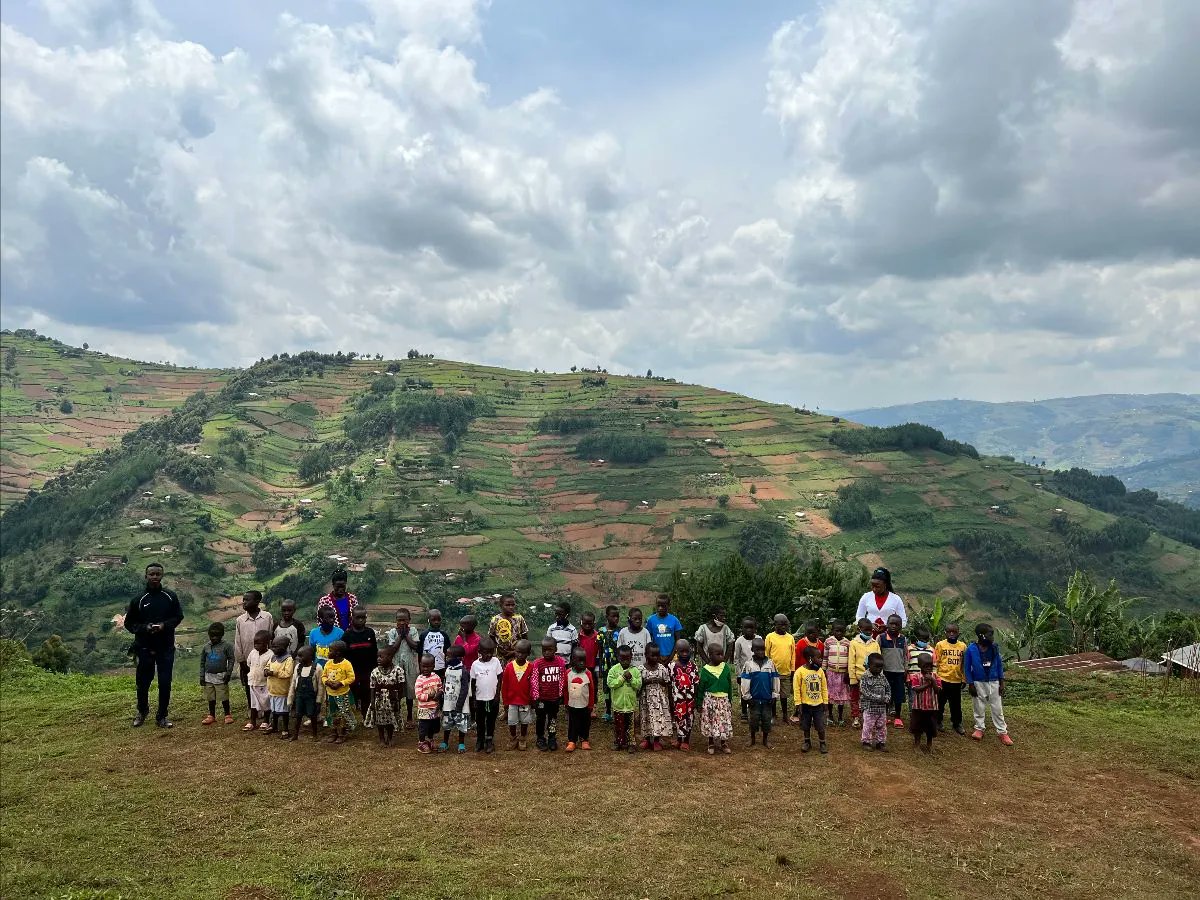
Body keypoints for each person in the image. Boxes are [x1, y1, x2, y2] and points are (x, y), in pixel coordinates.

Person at [125, 563, 185, 727]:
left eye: (158, 574)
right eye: (151, 574)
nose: (155, 577)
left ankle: (162, 716)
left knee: (165, 683)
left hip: (166, 648)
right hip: (144, 647)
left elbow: (178, 616)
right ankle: (142, 711)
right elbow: (129, 623)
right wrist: (146, 628)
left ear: (162, 576)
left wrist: (165, 625)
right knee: (143, 683)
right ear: (146, 576)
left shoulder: (170, 596)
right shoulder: (138, 600)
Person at [965, 624, 1012, 745]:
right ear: (981, 636)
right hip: (978, 681)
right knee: (978, 705)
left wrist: (1002, 682)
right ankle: (979, 728)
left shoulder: (994, 648)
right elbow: (967, 668)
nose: (992, 637)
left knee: (997, 707)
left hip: (994, 681)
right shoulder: (971, 649)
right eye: (990, 635)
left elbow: (999, 665)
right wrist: (970, 684)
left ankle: (1002, 731)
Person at [233, 590, 273, 722]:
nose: (244, 602)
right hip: (248, 661)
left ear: (257, 602)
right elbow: (238, 642)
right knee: (250, 685)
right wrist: (241, 660)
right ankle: (253, 709)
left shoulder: (267, 617)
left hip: (265, 659)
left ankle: (267, 709)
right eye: (243, 599)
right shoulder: (240, 620)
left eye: (247, 600)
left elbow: (271, 637)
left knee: (266, 684)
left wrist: (271, 658)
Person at [738, 637, 779, 749]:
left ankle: (765, 740)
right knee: (753, 720)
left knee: (766, 719)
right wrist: (747, 697)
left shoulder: (770, 664)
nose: (761, 652)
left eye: (762, 649)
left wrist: (775, 694)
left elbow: (775, 679)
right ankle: (752, 739)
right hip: (754, 699)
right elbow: (745, 681)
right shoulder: (748, 665)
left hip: (767, 698)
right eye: (758, 650)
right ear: (752, 650)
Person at [696, 643, 736, 755]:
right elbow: (701, 688)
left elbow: (729, 685)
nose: (721, 657)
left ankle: (724, 742)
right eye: (718, 654)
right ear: (710, 655)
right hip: (710, 701)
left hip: (723, 701)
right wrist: (699, 703)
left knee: (723, 721)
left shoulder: (726, 668)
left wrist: (730, 699)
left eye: (722, 654)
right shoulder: (705, 670)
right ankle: (711, 742)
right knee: (710, 721)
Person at [530, 636, 566, 751]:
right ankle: (540, 738)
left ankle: (552, 737)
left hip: (554, 698)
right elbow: (534, 680)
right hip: (541, 699)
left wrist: (561, 695)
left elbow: (562, 678)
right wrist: (536, 698)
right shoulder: (537, 663)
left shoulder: (560, 661)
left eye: (549, 650)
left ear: (555, 649)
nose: (546, 652)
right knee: (540, 718)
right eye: (544, 650)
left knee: (552, 719)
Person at [385, 609, 421, 723]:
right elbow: (392, 649)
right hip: (396, 665)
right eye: (399, 620)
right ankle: (397, 715)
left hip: (410, 665)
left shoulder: (413, 631)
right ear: (396, 621)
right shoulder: (392, 632)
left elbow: (415, 646)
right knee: (397, 690)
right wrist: (400, 636)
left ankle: (410, 715)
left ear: (409, 620)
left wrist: (406, 635)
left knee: (410, 690)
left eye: (404, 620)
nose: (402, 623)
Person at [364, 648, 404, 747]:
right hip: (379, 699)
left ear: (390, 657)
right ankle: (381, 738)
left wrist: (398, 700)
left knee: (391, 719)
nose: (378, 659)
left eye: (381, 657)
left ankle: (390, 737)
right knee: (379, 720)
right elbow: (372, 687)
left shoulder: (398, 670)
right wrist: (372, 702)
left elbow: (401, 687)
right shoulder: (375, 672)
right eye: (377, 656)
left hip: (392, 699)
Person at [342, 609, 378, 718]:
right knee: (353, 692)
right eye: (358, 617)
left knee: (366, 693)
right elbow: (345, 654)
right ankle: (352, 716)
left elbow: (374, 651)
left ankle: (365, 716)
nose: (361, 620)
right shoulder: (347, 635)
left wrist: (375, 668)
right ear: (352, 618)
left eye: (363, 617)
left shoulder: (370, 632)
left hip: (367, 670)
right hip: (352, 670)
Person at [606, 645, 642, 752]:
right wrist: (622, 678)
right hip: (618, 705)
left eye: (628, 658)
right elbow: (611, 684)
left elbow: (638, 685)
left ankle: (631, 743)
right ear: (618, 657)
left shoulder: (635, 670)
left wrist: (631, 678)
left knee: (630, 726)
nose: (625, 661)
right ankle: (618, 742)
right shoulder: (613, 670)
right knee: (618, 725)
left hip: (630, 706)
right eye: (622, 658)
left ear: (631, 657)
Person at [638, 643, 673, 751]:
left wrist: (660, 681)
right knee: (646, 718)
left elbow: (667, 682)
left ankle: (657, 740)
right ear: (646, 655)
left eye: (657, 655)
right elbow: (638, 685)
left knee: (658, 720)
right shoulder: (640, 669)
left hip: (659, 700)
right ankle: (647, 740)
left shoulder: (662, 668)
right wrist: (646, 681)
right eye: (653, 655)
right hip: (646, 700)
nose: (656, 658)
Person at [471, 637, 503, 753]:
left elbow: (500, 677)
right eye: (486, 652)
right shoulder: (475, 665)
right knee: (480, 721)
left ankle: (489, 740)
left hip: (492, 699)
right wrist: (474, 699)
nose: (489, 655)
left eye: (491, 652)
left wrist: (497, 695)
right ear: (480, 651)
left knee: (491, 720)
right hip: (480, 699)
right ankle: (480, 740)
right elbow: (473, 682)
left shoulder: (496, 662)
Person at [847, 617, 880, 728]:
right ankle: (856, 717)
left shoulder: (875, 643)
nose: (869, 632)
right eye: (866, 630)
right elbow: (851, 662)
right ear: (859, 629)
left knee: (869, 698)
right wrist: (852, 678)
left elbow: (879, 659)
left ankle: (868, 717)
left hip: (871, 677)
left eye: (870, 630)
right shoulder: (854, 643)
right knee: (855, 698)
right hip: (858, 676)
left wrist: (879, 676)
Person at [795, 645, 829, 754]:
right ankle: (807, 742)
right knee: (805, 725)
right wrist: (798, 703)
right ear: (810, 658)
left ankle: (822, 743)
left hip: (818, 705)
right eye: (818, 657)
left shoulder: (820, 672)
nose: (821, 660)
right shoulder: (799, 672)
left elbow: (824, 688)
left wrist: (825, 702)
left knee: (820, 725)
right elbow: (796, 689)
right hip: (805, 705)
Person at [934, 623, 967, 734]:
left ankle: (957, 723)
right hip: (942, 679)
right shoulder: (940, 645)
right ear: (945, 633)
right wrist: (936, 678)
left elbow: (963, 664)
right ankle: (938, 721)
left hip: (956, 680)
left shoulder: (962, 646)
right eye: (949, 632)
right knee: (940, 702)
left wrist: (964, 679)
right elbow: (936, 662)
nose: (952, 634)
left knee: (956, 704)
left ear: (959, 633)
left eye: (954, 632)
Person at [321, 640, 357, 743]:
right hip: (331, 695)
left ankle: (342, 733)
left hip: (343, 694)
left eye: (330, 650)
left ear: (338, 653)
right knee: (331, 713)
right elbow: (323, 676)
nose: (328, 652)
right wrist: (327, 682)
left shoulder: (346, 664)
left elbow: (351, 678)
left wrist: (340, 683)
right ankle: (333, 732)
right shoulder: (328, 664)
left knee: (343, 713)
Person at [199, 622, 234, 725]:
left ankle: (227, 715)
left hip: (221, 676)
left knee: (224, 696)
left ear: (221, 635)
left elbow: (231, 659)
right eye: (211, 636)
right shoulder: (206, 647)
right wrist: (202, 676)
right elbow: (202, 662)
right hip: (208, 676)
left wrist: (228, 673)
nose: (214, 638)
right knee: (211, 697)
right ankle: (211, 715)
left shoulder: (226, 646)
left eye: (216, 636)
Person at [502, 639, 534, 751]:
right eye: (517, 652)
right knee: (512, 721)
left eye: (523, 653)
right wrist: (505, 702)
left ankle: (522, 738)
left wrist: (532, 699)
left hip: (525, 701)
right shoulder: (509, 666)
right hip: (512, 701)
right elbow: (504, 686)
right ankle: (513, 738)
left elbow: (533, 685)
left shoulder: (531, 667)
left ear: (528, 654)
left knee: (524, 721)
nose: (519, 655)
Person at [764, 614, 796, 724]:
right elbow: (766, 654)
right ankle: (773, 714)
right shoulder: (770, 637)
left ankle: (785, 715)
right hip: (772, 672)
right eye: (781, 624)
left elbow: (793, 655)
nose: (784, 627)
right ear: (775, 625)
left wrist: (792, 669)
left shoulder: (790, 638)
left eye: (785, 624)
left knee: (784, 696)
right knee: (773, 694)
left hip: (786, 672)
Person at [854, 566, 907, 635]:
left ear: (885, 584)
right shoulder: (866, 597)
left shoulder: (896, 599)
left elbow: (903, 621)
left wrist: (888, 626)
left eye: (877, 586)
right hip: (868, 636)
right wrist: (869, 625)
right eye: (872, 586)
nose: (874, 589)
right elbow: (859, 617)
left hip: (888, 637)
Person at [287, 645, 324, 743]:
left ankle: (315, 734)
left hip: (311, 697)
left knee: (312, 715)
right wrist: (290, 699)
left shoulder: (317, 668)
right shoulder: (297, 667)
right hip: (299, 696)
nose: (298, 658)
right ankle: (296, 734)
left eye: (300, 656)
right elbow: (293, 683)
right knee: (298, 715)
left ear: (310, 656)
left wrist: (319, 701)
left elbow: (320, 686)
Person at [667, 639, 699, 751]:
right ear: (677, 651)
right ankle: (679, 739)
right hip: (677, 699)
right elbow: (669, 684)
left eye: (687, 651)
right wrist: (670, 699)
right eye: (682, 651)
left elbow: (696, 683)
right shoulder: (672, 666)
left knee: (689, 718)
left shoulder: (693, 666)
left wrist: (697, 699)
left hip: (690, 699)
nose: (685, 654)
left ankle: (686, 741)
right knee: (678, 718)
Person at [878, 614, 909, 728]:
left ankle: (898, 717)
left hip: (899, 672)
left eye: (897, 624)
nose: (894, 626)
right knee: (885, 694)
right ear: (887, 624)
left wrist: (906, 669)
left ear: (901, 626)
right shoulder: (881, 638)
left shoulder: (903, 639)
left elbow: (906, 655)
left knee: (898, 696)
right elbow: (878, 654)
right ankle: (884, 716)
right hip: (885, 671)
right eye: (891, 623)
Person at [792, 621, 825, 723]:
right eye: (809, 633)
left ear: (818, 632)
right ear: (806, 634)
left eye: (814, 633)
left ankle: (814, 714)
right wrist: (795, 671)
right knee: (801, 692)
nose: (812, 635)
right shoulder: (801, 643)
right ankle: (797, 712)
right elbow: (796, 658)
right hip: (802, 672)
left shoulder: (821, 645)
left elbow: (821, 658)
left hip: (815, 672)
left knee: (812, 692)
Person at [439, 644, 470, 753]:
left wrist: (459, 705)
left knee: (461, 725)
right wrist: (442, 700)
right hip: (448, 703)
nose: (446, 658)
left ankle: (461, 743)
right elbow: (444, 685)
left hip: (460, 705)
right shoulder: (447, 669)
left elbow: (464, 689)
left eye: (449, 656)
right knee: (447, 724)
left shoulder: (463, 671)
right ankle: (445, 742)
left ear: (459, 658)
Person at [263, 635, 295, 737]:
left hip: (282, 691)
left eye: (276, 647)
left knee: (283, 711)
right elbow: (267, 666)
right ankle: (274, 726)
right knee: (274, 710)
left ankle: (285, 729)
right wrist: (266, 670)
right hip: (272, 689)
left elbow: (287, 673)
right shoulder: (273, 657)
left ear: (284, 647)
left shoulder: (288, 659)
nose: (273, 649)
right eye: (273, 646)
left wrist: (273, 673)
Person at [564, 647, 595, 751]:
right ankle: (572, 741)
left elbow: (591, 690)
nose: (582, 663)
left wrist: (591, 705)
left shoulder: (588, 673)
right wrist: (566, 703)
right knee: (573, 723)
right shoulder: (568, 673)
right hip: (572, 704)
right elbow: (565, 689)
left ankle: (584, 739)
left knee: (585, 723)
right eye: (579, 660)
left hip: (585, 705)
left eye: (584, 660)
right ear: (573, 660)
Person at [859, 653, 891, 751]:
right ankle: (866, 742)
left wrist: (887, 698)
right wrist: (878, 697)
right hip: (869, 708)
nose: (879, 669)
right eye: (876, 667)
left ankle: (880, 743)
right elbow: (864, 691)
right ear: (869, 665)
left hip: (881, 709)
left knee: (881, 726)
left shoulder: (882, 677)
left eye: (881, 667)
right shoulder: (865, 677)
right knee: (868, 725)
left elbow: (888, 688)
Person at [909, 652, 940, 753]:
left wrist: (933, 681)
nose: (928, 668)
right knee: (917, 727)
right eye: (925, 666)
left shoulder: (936, 676)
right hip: (919, 707)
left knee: (931, 727)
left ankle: (929, 744)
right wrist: (928, 684)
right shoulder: (915, 676)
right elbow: (916, 689)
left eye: (930, 666)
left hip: (932, 707)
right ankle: (917, 744)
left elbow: (938, 690)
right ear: (919, 666)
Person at [413, 654, 442, 754]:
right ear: (420, 665)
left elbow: (440, 688)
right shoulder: (419, 680)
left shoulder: (436, 677)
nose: (425, 669)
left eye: (428, 666)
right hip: (424, 710)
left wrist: (439, 693)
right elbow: (419, 695)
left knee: (433, 727)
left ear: (433, 666)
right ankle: (421, 743)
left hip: (434, 709)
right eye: (423, 666)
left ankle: (430, 740)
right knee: (423, 728)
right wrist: (430, 696)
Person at [823, 619, 851, 726]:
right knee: (830, 695)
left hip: (843, 674)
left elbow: (849, 659)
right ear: (833, 631)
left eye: (841, 631)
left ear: (844, 632)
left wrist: (848, 672)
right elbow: (825, 657)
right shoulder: (828, 641)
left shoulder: (847, 643)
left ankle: (840, 716)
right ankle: (830, 715)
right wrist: (824, 670)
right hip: (831, 673)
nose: (839, 633)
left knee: (842, 696)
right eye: (836, 631)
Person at [732, 618, 760, 722]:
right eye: (746, 627)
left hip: (757, 672)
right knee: (744, 692)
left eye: (751, 627)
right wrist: (739, 674)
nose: (749, 630)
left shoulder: (759, 639)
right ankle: (744, 711)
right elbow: (737, 659)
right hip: (744, 673)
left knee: (756, 691)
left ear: (755, 628)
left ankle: (755, 711)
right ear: (742, 629)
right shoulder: (739, 641)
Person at [487, 595, 529, 665]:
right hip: (500, 657)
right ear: (501, 605)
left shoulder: (519, 618)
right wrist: (498, 649)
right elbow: (491, 637)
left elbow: (525, 638)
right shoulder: (495, 620)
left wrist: (516, 652)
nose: (511, 607)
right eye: (507, 605)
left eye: (513, 605)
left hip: (517, 657)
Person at [598, 605, 622, 721]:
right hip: (606, 664)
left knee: (617, 686)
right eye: (613, 616)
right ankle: (608, 711)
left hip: (617, 664)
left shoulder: (621, 631)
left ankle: (617, 710)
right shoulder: (601, 631)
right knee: (606, 688)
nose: (616, 619)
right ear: (607, 617)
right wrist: (601, 669)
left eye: (617, 616)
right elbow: (600, 650)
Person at [244, 630, 272, 732]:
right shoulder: (253, 652)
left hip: (264, 683)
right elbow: (248, 663)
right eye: (255, 643)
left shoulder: (270, 654)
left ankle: (266, 720)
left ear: (267, 643)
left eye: (259, 643)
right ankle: (252, 722)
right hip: (253, 682)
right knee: (253, 704)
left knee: (266, 702)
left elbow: (270, 667)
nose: (256, 646)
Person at [577, 611, 601, 713]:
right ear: (581, 623)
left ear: (594, 624)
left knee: (593, 687)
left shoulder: (598, 636)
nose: (587, 626)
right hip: (580, 667)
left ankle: (593, 707)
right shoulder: (578, 636)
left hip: (592, 667)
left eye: (589, 624)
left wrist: (599, 667)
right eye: (585, 623)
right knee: (581, 685)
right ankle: (581, 704)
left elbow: (600, 651)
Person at [646, 594, 683, 660]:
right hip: (655, 657)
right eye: (658, 606)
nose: (660, 608)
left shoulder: (675, 620)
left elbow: (678, 641)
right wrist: (657, 657)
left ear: (668, 606)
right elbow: (649, 641)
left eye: (663, 606)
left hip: (672, 656)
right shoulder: (651, 620)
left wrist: (671, 657)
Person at [420, 609, 447, 681]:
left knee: (439, 686)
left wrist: (446, 667)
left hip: (441, 667)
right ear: (428, 620)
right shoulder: (424, 635)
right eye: (433, 620)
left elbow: (447, 652)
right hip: (427, 668)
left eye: (439, 620)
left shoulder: (444, 635)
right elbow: (420, 652)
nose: (436, 622)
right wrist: (421, 668)